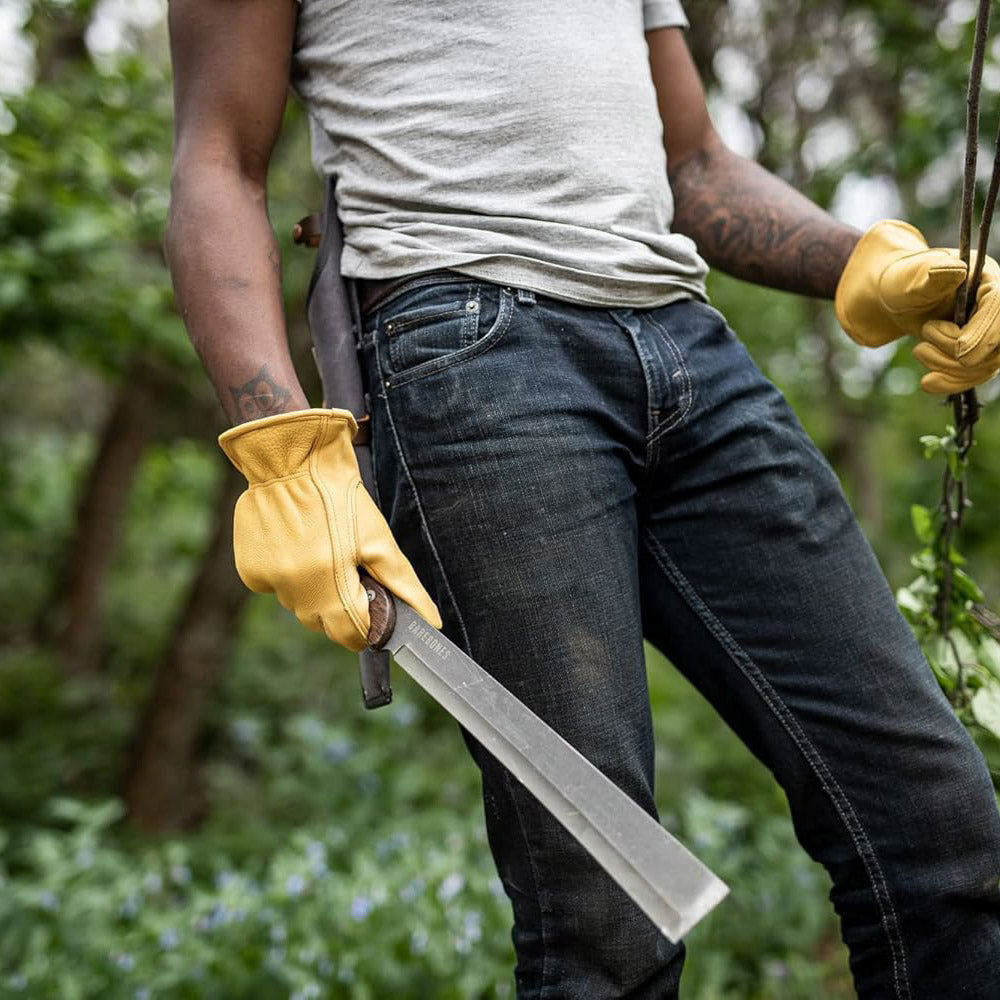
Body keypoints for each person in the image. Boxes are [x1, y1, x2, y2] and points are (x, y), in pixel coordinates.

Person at [163, 1, 1000, 996]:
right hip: (472, 353)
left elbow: (690, 165)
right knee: (608, 911)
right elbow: (217, 158)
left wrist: (869, 263)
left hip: (687, 345)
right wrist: (282, 447)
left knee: (940, 833)